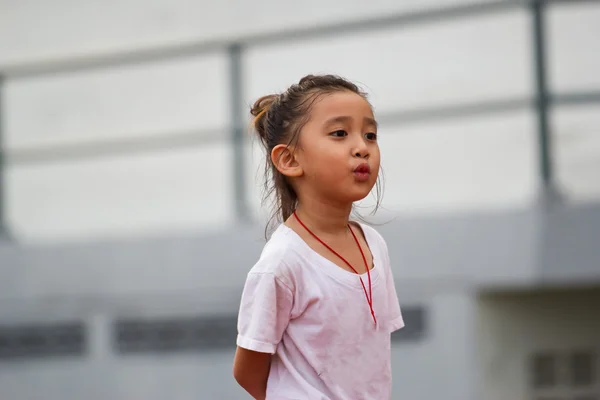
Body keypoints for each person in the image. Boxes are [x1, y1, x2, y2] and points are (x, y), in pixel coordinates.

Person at [233, 74, 404, 400]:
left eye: (370, 135)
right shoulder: (282, 263)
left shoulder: (375, 246)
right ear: (289, 159)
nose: (361, 148)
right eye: (340, 133)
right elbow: (248, 373)